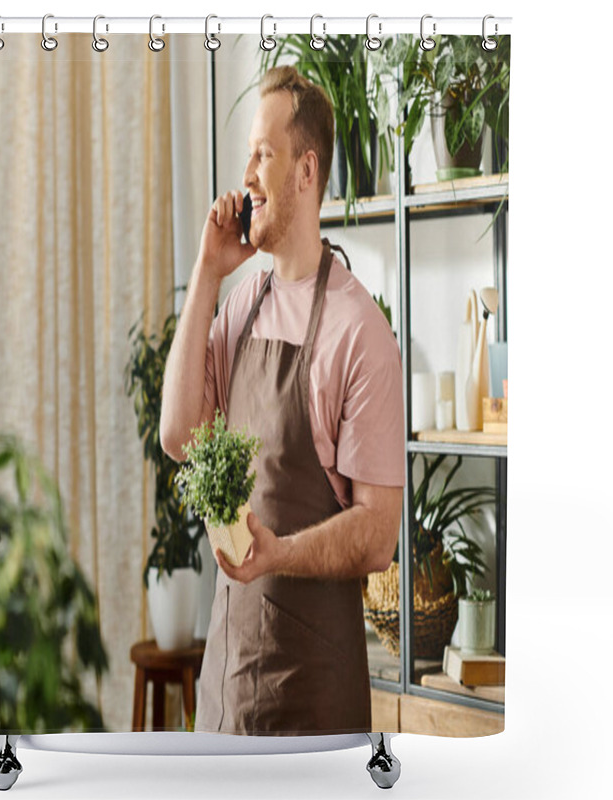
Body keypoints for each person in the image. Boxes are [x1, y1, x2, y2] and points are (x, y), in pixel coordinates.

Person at [160, 65, 404, 736]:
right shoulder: (241, 307)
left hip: (315, 707)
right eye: (248, 155)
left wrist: (278, 554)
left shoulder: (361, 335)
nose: (247, 174)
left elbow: (378, 534)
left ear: (306, 171)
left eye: (263, 155)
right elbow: (180, 435)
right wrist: (208, 269)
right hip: (227, 695)